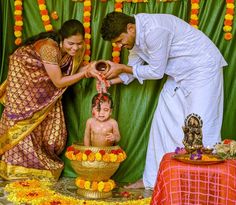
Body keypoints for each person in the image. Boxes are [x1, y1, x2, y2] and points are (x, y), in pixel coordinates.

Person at [99, 12, 227, 189]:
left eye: (120, 41)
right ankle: (153, 180)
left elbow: (155, 72)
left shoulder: (155, 29)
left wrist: (121, 67)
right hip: (178, 74)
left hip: (202, 70)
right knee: (163, 122)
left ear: (130, 28)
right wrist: (109, 81)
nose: (120, 46)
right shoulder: (133, 38)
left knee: (199, 126)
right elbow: (133, 70)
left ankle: (203, 185)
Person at [0, 19, 100, 181]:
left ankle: (38, 167)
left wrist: (91, 68)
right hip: (24, 77)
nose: (75, 48)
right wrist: (85, 72)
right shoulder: (49, 49)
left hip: (46, 81)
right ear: (61, 39)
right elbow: (59, 81)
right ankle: (15, 168)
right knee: (23, 120)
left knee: (50, 126)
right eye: (71, 43)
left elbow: (71, 71)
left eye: (79, 43)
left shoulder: (75, 50)